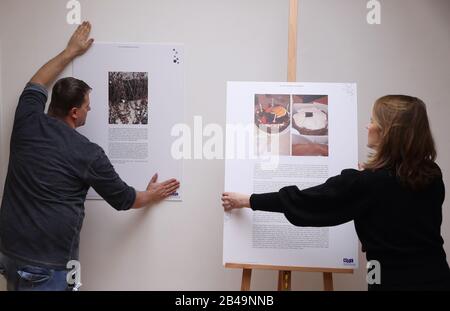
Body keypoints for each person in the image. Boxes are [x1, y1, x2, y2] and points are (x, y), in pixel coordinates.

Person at [0, 22, 180, 291]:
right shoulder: (87, 153)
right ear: (74, 112)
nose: (90, 110)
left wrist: (70, 52)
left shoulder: (27, 118)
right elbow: (124, 199)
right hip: (48, 268)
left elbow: (36, 82)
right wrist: (151, 195)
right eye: (87, 106)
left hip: (8, 253)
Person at [222, 95, 450, 291]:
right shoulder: (431, 174)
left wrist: (248, 200)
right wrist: (368, 179)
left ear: (388, 132)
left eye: (373, 121)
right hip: (437, 275)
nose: (367, 126)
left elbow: (305, 201)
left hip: (388, 279)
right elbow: (396, 205)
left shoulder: (368, 184)